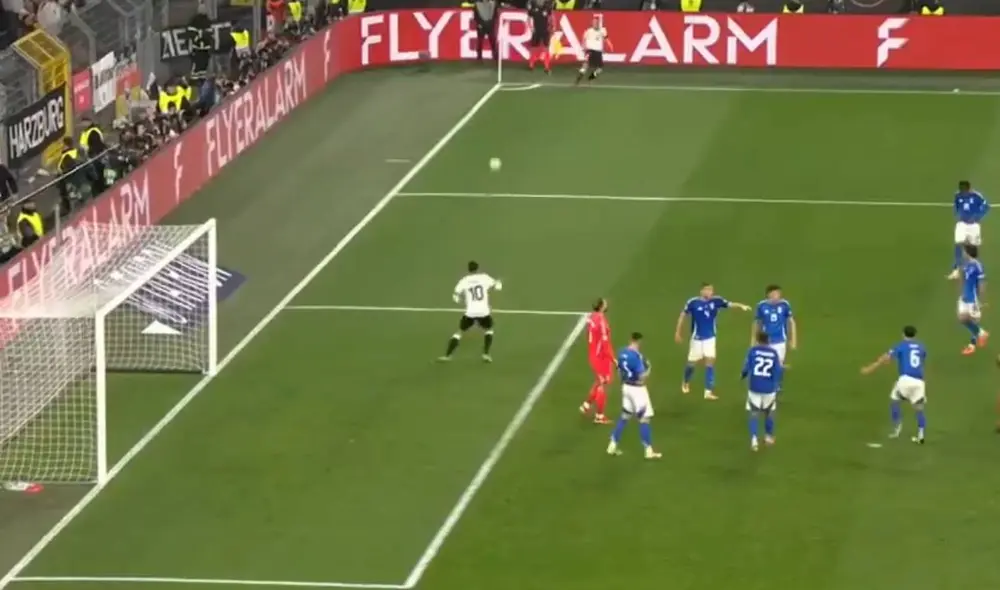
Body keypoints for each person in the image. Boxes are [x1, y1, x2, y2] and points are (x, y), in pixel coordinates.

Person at [675, 283, 752, 400]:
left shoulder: (716, 301)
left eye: (711, 290)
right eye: (706, 290)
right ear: (701, 291)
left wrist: (742, 306)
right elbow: (682, 316)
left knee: (710, 363)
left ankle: (708, 391)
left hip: (710, 338)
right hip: (697, 338)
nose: (709, 292)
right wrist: (678, 332)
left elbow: (730, 304)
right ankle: (686, 381)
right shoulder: (693, 302)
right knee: (691, 364)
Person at [861, 325, 927, 444]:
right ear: (915, 335)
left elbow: (886, 358)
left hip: (905, 379)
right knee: (919, 409)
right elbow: (921, 359)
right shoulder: (921, 347)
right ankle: (921, 435)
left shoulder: (901, 345)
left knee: (894, 400)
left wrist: (871, 368)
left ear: (903, 334)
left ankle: (897, 428)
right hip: (919, 381)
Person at [607, 332, 660, 459]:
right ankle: (648, 451)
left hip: (626, 388)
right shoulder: (637, 357)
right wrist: (649, 370)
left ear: (630, 339)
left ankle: (612, 445)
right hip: (638, 390)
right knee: (644, 419)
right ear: (639, 341)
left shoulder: (622, 352)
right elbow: (641, 377)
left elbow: (619, 371)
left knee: (625, 417)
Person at [439, 261, 502, 362]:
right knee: (489, 330)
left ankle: (447, 356)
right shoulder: (484, 277)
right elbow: (498, 287)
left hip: (470, 312)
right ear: (478, 268)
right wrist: (498, 282)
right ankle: (486, 354)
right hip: (483, 312)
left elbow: (455, 295)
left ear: (468, 269)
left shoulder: (464, 280)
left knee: (459, 332)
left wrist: (458, 299)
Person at [742, 332, 782, 451]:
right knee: (769, 412)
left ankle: (754, 439)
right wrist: (776, 386)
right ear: (768, 340)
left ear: (757, 340)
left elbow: (746, 368)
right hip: (769, 388)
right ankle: (768, 436)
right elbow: (777, 371)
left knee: (754, 413)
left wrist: (742, 375)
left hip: (754, 386)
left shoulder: (752, 351)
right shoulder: (774, 353)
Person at [947, 244, 989, 355]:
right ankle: (980, 333)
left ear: (968, 253)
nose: (963, 253)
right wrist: (960, 291)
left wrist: (982, 300)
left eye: (964, 251)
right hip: (964, 296)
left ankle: (972, 345)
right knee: (962, 319)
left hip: (972, 298)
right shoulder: (966, 265)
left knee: (970, 319)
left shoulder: (978, 265)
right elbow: (963, 280)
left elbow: (981, 283)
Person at [580, 297, 613, 424]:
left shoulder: (591, 317)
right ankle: (599, 416)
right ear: (602, 306)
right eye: (605, 303)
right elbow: (605, 343)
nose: (607, 304)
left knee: (599, 381)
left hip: (593, 353)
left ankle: (586, 405)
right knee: (603, 384)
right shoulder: (601, 320)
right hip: (600, 357)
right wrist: (613, 359)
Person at [753, 284, 796, 367]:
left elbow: (791, 322)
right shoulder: (761, 306)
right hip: (765, 341)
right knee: (765, 366)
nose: (777, 296)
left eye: (778, 294)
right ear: (768, 295)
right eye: (774, 294)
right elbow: (757, 324)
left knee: (777, 367)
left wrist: (793, 340)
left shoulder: (784, 305)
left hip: (780, 341)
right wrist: (754, 340)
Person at [952, 180, 988, 270]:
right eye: (961, 189)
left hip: (973, 225)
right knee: (958, 243)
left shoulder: (977, 196)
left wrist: (977, 217)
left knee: (973, 246)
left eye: (963, 189)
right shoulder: (957, 195)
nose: (962, 191)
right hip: (962, 224)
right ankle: (957, 267)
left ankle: (973, 267)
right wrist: (957, 214)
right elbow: (956, 206)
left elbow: (986, 206)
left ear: (968, 188)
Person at [575, 15, 611, 85]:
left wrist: (610, 45)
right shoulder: (588, 31)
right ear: (592, 24)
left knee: (599, 69)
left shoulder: (603, 30)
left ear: (598, 23)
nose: (595, 24)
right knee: (585, 65)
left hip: (598, 52)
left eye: (596, 22)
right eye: (594, 23)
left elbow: (606, 39)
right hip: (590, 50)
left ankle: (590, 78)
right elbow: (583, 40)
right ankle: (578, 80)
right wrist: (584, 47)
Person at [527, 0, 553, 73]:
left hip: (545, 31)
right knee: (533, 48)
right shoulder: (533, 7)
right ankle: (531, 64)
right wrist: (531, 28)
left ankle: (546, 66)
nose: (540, 1)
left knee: (546, 48)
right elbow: (528, 18)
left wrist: (551, 26)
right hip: (536, 31)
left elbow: (551, 17)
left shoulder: (547, 7)